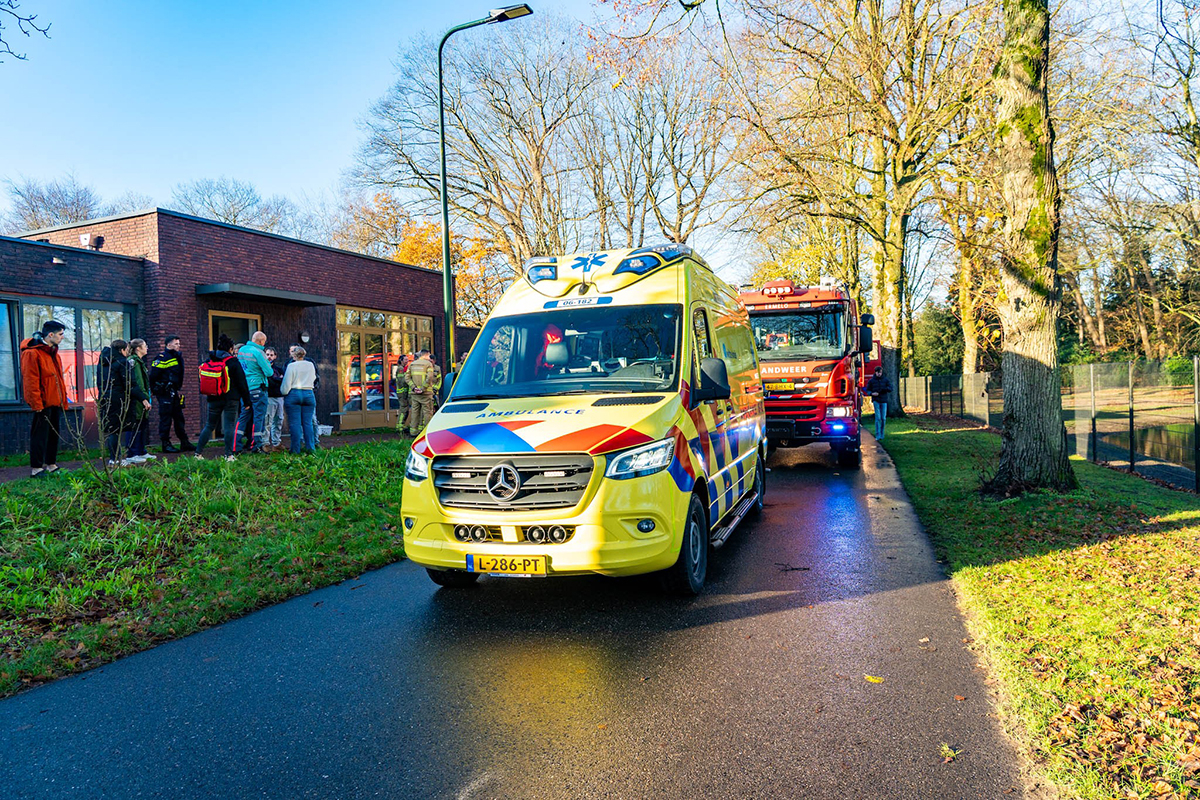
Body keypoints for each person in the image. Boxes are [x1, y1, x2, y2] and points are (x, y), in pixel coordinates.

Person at [20, 320, 69, 478]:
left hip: (55, 400)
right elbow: (30, 380)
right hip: (43, 402)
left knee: (53, 433)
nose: (62, 337)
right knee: (40, 434)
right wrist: (36, 403)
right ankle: (36, 468)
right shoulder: (32, 353)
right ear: (50, 335)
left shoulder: (53, 352)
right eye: (60, 334)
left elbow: (57, 379)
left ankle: (51, 464)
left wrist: (63, 400)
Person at [196, 334, 253, 461]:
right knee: (229, 426)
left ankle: (198, 453)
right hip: (231, 399)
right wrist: (247, 401)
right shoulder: (233, 362)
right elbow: (242, 383)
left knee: (209, 426)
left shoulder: (210, 360)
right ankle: (229, 455)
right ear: (231, 349)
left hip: (213, 397)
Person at [149, 335, 194, 453]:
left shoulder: (177, 357)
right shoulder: (162, 357)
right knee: (166, 419)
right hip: (165, 393)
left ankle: (184, 442)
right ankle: (165, 444)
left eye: (179, 344)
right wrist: (158, 389)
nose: (178, 346)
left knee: (179, 418)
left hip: (174, 392)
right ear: (168, 345)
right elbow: (153, 376)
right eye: (176, 344)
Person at [236, 331, 272, 453]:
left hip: (245, 389)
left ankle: (236, 445)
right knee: (258, 418)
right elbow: (269, 372)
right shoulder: (259, 352)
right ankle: (256, 446)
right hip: (258, 388)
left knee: (243, 417)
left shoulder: (241, 350)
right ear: (261, 341)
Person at [99, 340, 134, 466]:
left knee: (111, 429)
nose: (128, 352)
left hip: (105, 397)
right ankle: (117, 459)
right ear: (122, 350)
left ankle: (113, 458)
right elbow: (128, 383)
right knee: (117, 429)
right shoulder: (122, 362)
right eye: (127, 350)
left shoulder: (103, 362)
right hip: (118, 399)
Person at [123, 339, 154, 463]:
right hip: (137, 400)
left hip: (141, 398)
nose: (147, 348)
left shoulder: (139, 362)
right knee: (135, 425)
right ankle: (132, 453)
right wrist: (144, 398)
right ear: (138, 349)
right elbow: (138, 383)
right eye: (145, 346)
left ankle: (141, 451)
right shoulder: (134, 363)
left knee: (142, 424)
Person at [282, 345, 317, 454]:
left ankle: (295, 450)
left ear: (294, 355)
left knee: (295, 423)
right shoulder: (310, 365)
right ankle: (311, 448)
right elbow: (314, 378)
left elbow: (287, 383)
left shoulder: (291, 366)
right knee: (308, 423)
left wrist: (284, 392)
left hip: (294, 393)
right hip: (308, 393)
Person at [405, 348, 441, 437]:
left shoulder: (412, 364)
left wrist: (414, 388)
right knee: (427, 412)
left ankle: (413, 432)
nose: (429, 357)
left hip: (414, 394)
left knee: (415, 412)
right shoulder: (428, 364)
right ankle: (427, 432)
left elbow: (407, 378)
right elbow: (429, 378)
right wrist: (423, 388)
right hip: (426, 393)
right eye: (429, 355)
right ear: (425, 355)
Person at [263, 346, 286, 452]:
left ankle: (276, 443)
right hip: (269, 397)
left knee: (279, 420)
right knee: (268, 420)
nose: (269, 357)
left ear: (275, 356)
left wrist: (275, 380)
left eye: (271, 355)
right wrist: (278, 380)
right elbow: (270, 383)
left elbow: (284, 380)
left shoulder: (279, 369)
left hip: (280, 397)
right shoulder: (263, 368)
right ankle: (266, 443)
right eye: (267, 354)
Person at [865, 366, 893, 441]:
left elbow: (891, 388)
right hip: (876, 400)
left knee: (883, 418)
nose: (879, 374)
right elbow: (868, 390)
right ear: (875, 372)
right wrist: (872, 394)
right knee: (878, 418)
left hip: (884, 400)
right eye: (878, 372)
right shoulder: (872, 381)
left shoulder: (885, 380)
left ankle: (882, 433)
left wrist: (885, 389)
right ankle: (878, 434)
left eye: (880, 372)